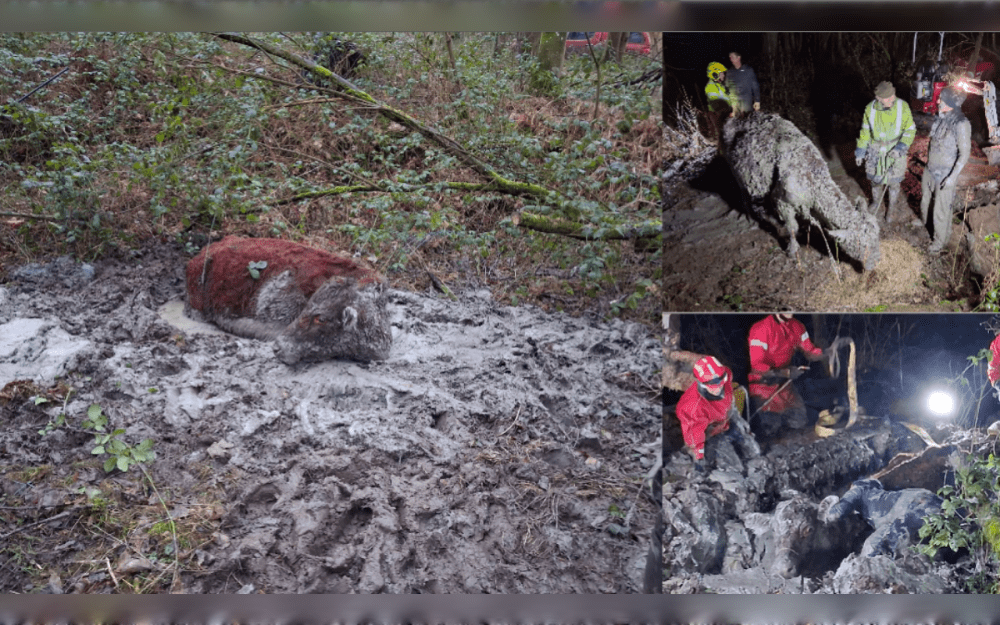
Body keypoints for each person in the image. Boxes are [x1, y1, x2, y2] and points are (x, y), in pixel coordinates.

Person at [747, 314, 825, 441]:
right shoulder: (760, 329)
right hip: (764, 388)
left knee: (799, 422)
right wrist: (785, 373)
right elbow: (757, 366)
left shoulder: (797, 326)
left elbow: (810, 352)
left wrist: (826, 353)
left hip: (785, 387)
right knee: (770, 431)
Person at [855, 81, 916, 223]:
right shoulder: (869, 109)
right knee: (875, 180)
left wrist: (901, 147)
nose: (891, 100)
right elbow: (865, 132)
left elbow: (910, 130)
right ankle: (876, 202)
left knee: (894, 182)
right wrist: (860, 151)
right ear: (878, 98)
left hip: (895, 147)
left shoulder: (903, 107)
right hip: (875, 149)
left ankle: (892, 208)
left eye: (892, 96)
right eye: (887, 98)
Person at [920, 86, 971, 254]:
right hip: (931, 169)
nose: (938, 101)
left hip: (945, 173)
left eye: (941, 99)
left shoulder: (961, 123)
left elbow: (964, 154)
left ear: (949, 103)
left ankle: (939, 242)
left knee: (941, 210)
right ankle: (926, 223)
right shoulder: (942, 117)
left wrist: (952, 177)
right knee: (926, 200)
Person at [675, 356, 738, 464]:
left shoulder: (726, 374)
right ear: (702, 384)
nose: (718, 387)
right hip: (706, 431)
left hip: (724, 418)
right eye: (713, 384)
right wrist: (698, 457)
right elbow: (695, 435)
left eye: (720, 380)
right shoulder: (694, 407)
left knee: (752, 450)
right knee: (731, 464)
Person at [727, 51, 760, 118]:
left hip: (746, 101)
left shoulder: (748, 70)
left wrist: (757, 101)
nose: (731, 60)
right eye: (730, 58)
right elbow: (728, 88)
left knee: (746, 120)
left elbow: (755, 86)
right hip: (735, 103)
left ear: (739, 58)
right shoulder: (730, 72)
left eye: (733, 57)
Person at [704, 61, 731, 139]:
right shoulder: (711, 87)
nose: (723, 75)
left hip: (723, 115)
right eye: (722, 73)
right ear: (715, 74)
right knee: (721, 137)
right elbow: (716, 104)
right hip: (717, 116)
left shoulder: (720, 86)